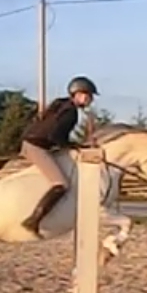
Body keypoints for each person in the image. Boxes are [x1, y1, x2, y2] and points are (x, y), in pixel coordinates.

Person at [19, 75, 98, 236]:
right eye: (88, 95)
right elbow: (56, 136)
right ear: (78, 94)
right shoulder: (70, 112)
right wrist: (72, 146)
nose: (90, 99)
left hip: (36, 143)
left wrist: (71, 145)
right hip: (36, 147)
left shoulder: (62, 105)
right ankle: (33, 220)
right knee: (61, 184)